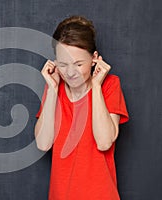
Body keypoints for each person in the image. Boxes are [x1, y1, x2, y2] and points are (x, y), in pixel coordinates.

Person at [34, 15, 129, 200]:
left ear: (94, 58)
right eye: (62, 64)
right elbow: (43, 143)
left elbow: (104, 142)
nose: (70, 73)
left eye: (78, 64)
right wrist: (52, 90)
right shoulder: (54, 86)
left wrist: (96, 86)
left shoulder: (109, 85)